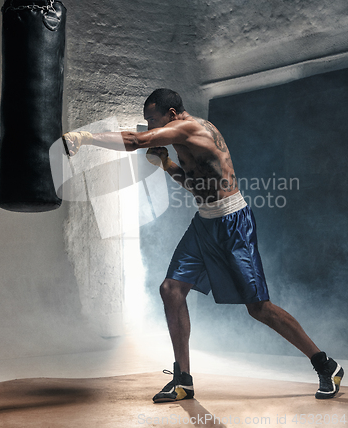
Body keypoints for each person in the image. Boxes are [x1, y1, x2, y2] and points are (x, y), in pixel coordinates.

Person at [63, 88, 344, 402]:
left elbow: (135, 141)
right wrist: (169, 165)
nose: (151, 127)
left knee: (259, 308)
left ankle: (325, 365)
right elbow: (197, 184)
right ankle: (183, 379)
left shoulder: (191, 128)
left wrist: (85, 138)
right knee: (171, 289)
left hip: (233, 223)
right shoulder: (182, 139)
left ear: (172, 114)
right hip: (205, 223)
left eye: (153, 120)